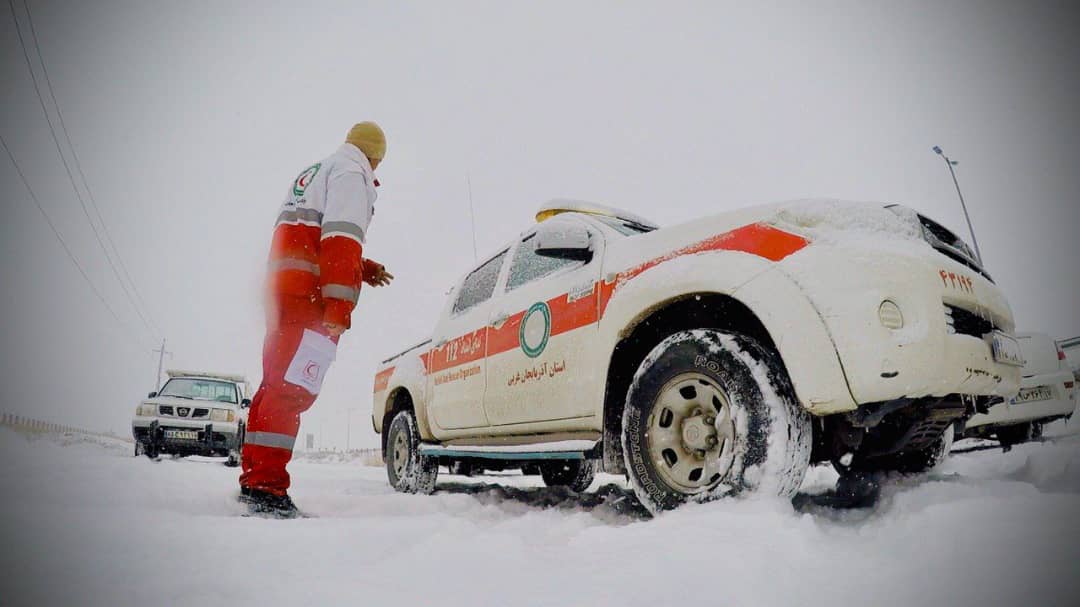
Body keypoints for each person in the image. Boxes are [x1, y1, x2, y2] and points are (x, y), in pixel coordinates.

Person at [239, 121, 393, 517]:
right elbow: (339, 239)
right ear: (375, 156)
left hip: (283, 294)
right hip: (309, 301)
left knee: (274, 386)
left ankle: (254, 478)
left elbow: (312, 236)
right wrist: (339, 308)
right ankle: (267, 490)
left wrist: (364, 267)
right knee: (293, 389)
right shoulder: (352, 174)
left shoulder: (317, 172)